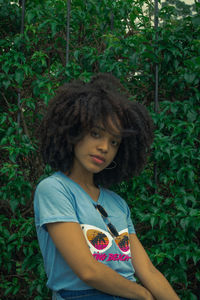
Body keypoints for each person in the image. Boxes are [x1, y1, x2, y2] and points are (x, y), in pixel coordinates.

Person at [34, 73, 180, 300]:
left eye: (114, 142)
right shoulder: (54, 189)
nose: (104, 147)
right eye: (96, 134)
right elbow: (88, 271)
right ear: (73, 132)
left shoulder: (117, 204)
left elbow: (148, 271)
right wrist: (143, 294)